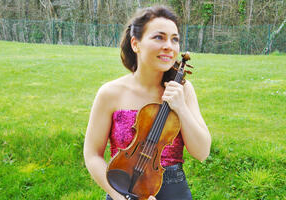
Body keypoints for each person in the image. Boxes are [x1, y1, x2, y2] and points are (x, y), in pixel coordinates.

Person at [83, 5, 211, 200]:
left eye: (174, 39)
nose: (169, 46)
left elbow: (202, 152)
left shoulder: (183, 89)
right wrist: (120, 197)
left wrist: (181, 107)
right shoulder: (110, 93)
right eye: (159, 37)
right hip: (122, 189)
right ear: (136, 44)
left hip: (174, 191)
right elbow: (92, 155)